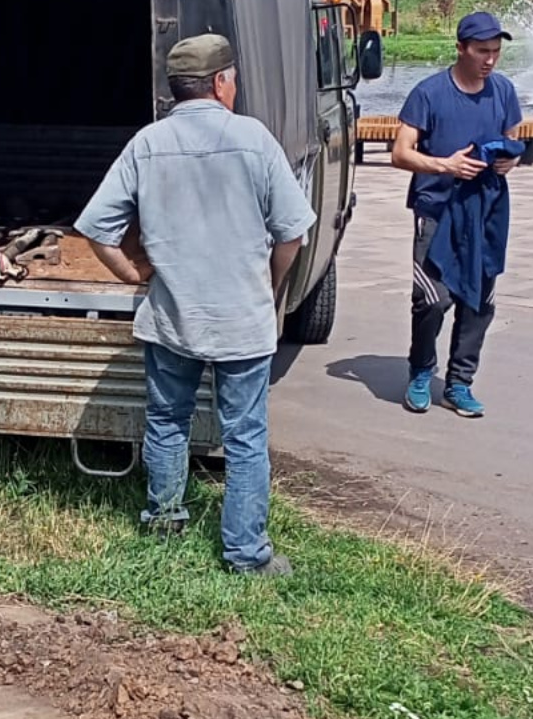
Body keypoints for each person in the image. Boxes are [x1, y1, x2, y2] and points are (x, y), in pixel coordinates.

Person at [75, 33, 316, 577]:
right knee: (245, 437)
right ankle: (246, 554)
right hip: (242, 318)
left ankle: (164, 526)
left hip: (172, 317)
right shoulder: (254, 139)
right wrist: (270, 284)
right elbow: (293, 234)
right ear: (222, 82)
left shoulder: (147, 143)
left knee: (166, 421)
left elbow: (96, 229)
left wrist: (133, 274)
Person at [391, 10, 524, 419]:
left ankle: (459, 383)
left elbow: (512, 139)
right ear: (461, 48)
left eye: (496, 51)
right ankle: (420, 371)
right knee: (432, 300)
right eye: (482, 51)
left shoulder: (503, 91)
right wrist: (445, 165)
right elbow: (400, 153)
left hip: (485, 211)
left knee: (479, 300)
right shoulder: (429, 93)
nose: (491, 59)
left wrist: (509, 161)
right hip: (436, 210)